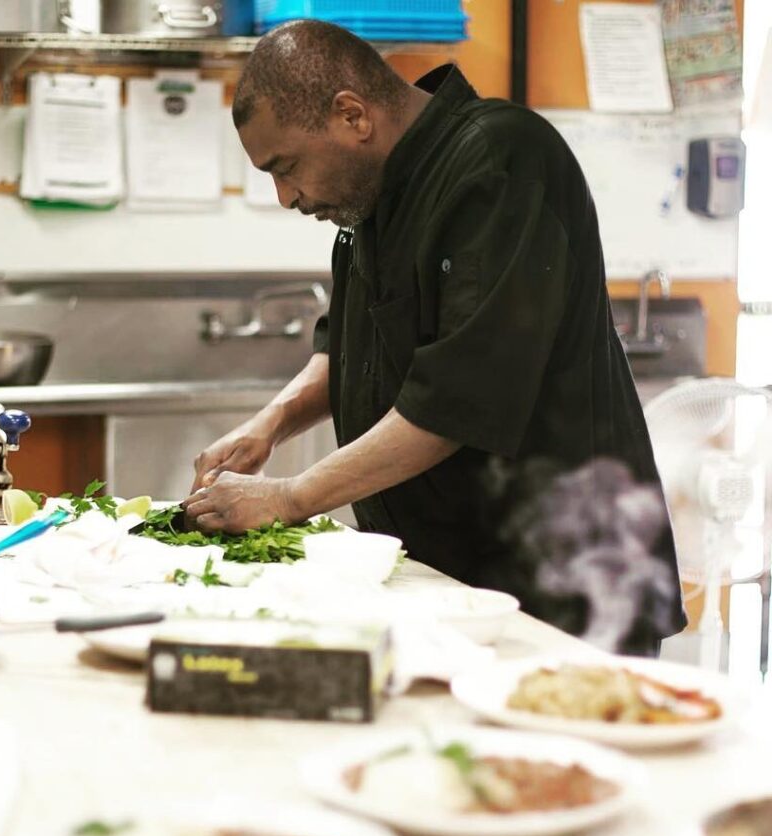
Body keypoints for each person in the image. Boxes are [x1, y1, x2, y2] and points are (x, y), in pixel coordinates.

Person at [184, 20, 685, 654]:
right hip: (453, 578)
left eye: (286, 168)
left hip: (562, 587)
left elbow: (456, 400)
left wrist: (289, 497)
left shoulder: (501, 163)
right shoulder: (371, 198)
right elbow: (348, 342)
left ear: (351, 116)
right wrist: (270, 425)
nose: (286, 196)